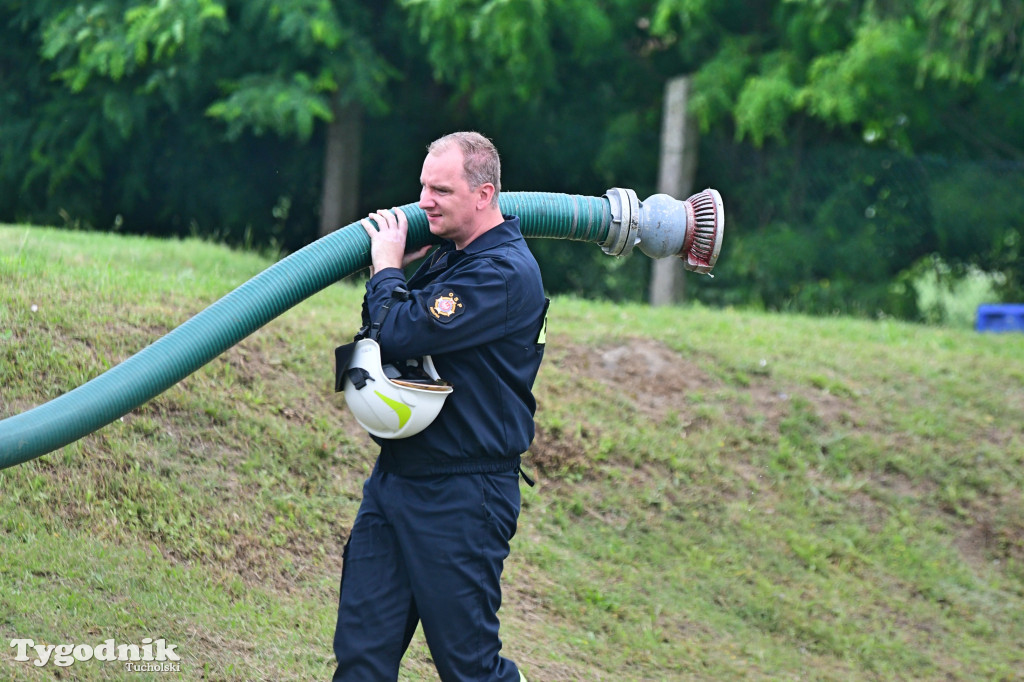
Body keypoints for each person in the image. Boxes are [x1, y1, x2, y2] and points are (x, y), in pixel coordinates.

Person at [331, 131, 546, 682]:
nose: (423, 201)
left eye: (440, 190)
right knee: (361, 659)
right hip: (397, 480)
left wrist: (386, 267)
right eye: (422, 185)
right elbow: (379, 334)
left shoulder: (502, 273)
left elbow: (398, 332)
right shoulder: (451, 257)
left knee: (468, 669)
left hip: (462, 495)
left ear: (484, 194)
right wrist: (399, 274)